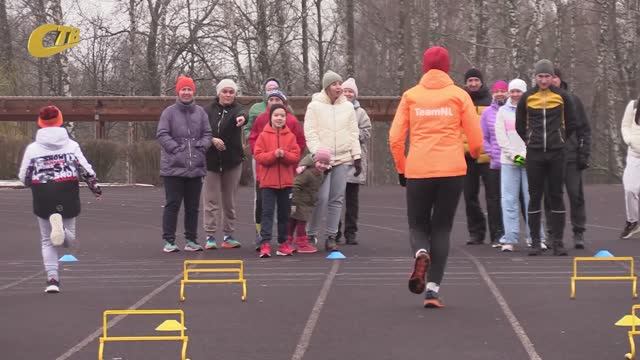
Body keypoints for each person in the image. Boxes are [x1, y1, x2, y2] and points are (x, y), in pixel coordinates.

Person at [389, 46, 483, 308]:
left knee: (418, 225)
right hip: (452, 170)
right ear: (447, 68)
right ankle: (432, 290)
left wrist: (401, 167)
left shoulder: (411, 96)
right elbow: (475, 137)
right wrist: (472, 155)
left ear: (424, 67)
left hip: (418, 169)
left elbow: (395, 138)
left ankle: (420, 252)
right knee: (441, 228)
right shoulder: (459, 95)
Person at [18, 105, 102, 293]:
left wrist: (35, 182)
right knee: (69, 241)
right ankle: (62, 230)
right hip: (67, 190)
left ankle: (52, 280)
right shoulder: (71, 146)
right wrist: (95, 188)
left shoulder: (33, 149)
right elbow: (85, 170)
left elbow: (24, 177)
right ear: (60, 121)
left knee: (47, 241)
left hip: (43, 193)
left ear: (40, 123)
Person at [516, 59, 582, 256]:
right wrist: (530, 140)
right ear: (535, 77)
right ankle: (536, 242)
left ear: (553, 77)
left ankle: (558, 242)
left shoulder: (563, 97)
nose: (544, 80)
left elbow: (572, 123)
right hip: (535, 153)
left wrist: (560, 139)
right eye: (540, 76)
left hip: (556, 153)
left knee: (556, 196)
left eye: (547, 76)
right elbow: (520, 125)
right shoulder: (527, 97)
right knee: (534, 197)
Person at [304, 70, 362, 251]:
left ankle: (331, 236)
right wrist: (318, 154)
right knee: (320, 197)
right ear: (327, 86)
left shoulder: (347, 107)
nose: (339, 87)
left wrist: (357, 156)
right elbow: (310, 132)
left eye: (340, 84)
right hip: (323, 159)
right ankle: (311, 234)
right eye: (335, 84)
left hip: (343, 158)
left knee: (336, 198)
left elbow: (353, 133)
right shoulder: (314, 106)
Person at [157, 76, 212, 253]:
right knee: (172, 204)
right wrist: (176, 150)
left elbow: (207, 133)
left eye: (189, 89)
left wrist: (201, 147)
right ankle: (169, 241)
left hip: (195, 168)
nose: (186, 92)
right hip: (173, 168)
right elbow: (162, 134)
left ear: (193, 91)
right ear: (178, 91)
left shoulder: (201, 112)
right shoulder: (169, 112)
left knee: (193, 206)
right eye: (183, 89)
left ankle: (191, 239)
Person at [543, 68, 591, 249]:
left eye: (554, 77)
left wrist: (584, 153)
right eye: (547, 76)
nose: (551, 80)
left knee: (575, 195)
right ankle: (552, 234)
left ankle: (578, 232)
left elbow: (584, 129)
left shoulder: (572, 100)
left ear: (559, 79)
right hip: (548, 156)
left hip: (570, 156)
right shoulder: (539, 100)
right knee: (550, 197)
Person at [494, 79, 544, 252]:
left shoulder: (532, 109)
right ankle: (510, 238)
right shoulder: (502, 111)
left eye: (518, 91)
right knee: (509, 200)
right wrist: (514, 156)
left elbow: (535, 133)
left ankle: (536, 237)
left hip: (530, 160)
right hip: (509, 162)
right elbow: (501, 137)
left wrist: (526, 156)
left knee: (532, 199)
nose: (515, 94)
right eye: (512, 91)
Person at [202, 79, 246, 249]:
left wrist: (242, 118)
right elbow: (201, 131)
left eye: (231, 92)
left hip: (232, 161)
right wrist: (212, 139)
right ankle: (210, 236)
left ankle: (228, 235)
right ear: (218, 93)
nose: (228, 95)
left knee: (229, 201)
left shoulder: (238, 109)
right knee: (210, 200)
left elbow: (243, 114)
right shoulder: (207, 111)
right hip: (211, 162)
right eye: (225, 91)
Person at [253, 104, 301, 257]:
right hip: (268, 183)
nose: (279, 118)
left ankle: (283, 243)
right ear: (271, 117)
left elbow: (295, 156)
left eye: (282, 115)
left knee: (284, 214)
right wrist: (274, 154)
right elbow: (258, 155)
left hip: (286, 183)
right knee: (267, 213)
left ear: (286, 118)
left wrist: (284, 155)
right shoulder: (263, 135)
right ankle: (265, 243)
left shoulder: (290, 136)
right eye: (276, 115)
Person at [336, 77, 372, 245]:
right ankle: (334, 232)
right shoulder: (334, 109)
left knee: (352, 200)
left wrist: (353, 134)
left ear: (355, 94)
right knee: (335, 198)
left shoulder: (361, 113)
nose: (348, 93)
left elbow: (367, 132)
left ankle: (351, 233)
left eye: (351, 91)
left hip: (355, 162)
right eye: (345, 91)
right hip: (338, 160)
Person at [463, 68, 493, 245]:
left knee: (493, 195)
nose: (473, 84)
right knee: (469, 196)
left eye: (476, 80)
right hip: (467, 156)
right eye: (470, 81)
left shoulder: (490, 100)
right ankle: (476, 232)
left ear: (481, 82)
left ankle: (497, 232)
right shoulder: (461, 101)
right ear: (466, 83)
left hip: (488, 155)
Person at [480, 80, 508, 247]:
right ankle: (497, 235)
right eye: (497, 91)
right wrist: (491, 153)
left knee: (514, 199)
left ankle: (517, 235)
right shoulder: (487, 113)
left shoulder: (515, 111)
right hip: (495, 163)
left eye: (503, 91)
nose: (500, 94)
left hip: (513, 163)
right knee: (494, 199)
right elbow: (484, 137)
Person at [289, 149, 333, 254]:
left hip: (306, 202)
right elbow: (295, 185)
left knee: (294, 221)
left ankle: (288, 240)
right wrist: (294, 202)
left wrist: (326, 172)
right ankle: (301, 243)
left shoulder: (320, 173)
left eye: (325, 164)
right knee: (301, 222)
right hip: (300, 202)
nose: (322, 165)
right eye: (320, 162)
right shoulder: (308, 173)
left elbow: (318, 183)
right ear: (314, 161)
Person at [620, 99, 640, 238]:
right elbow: (625, 126)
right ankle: (633, 221)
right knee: (630, 189)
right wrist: (629, 140)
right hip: (635, 154)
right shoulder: (634, 105)